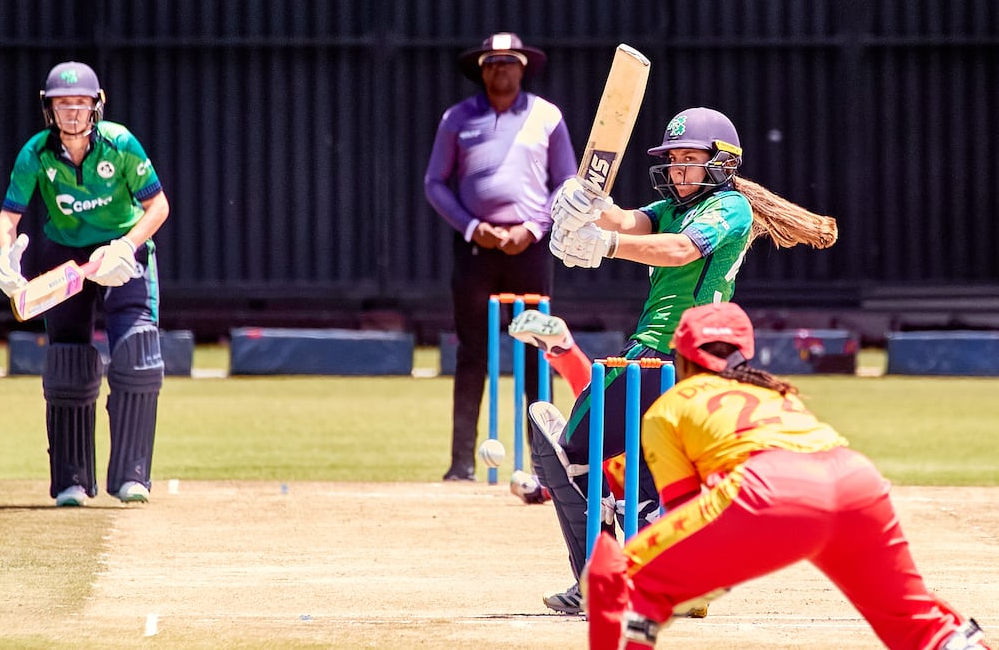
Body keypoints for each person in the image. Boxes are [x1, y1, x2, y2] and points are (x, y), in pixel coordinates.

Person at [584, 302, 991, 650]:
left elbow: (686, 516)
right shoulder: (776, 390)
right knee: (915, 623)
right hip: (856, 482)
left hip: (771, 488)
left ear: (683, 356)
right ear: (745, 352)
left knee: (612, 576)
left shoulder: (668, 407)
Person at [513, 107, 755, 614]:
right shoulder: (669, 207)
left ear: (722, 162)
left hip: (664, 353)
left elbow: (678, 251)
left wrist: (605, 243)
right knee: (643, 471)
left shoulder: (730, 207)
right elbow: (626, 218)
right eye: (673, 160)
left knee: (566, 451)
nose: (678, 169)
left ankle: (599, 581)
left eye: (690, 159)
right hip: (678, 363)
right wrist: (582, 200)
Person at [0, 61, 170, 507]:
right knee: (68, 362)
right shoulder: (36, 153)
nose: (72, 112)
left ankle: (132, 477)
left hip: (122, 253)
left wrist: (126, 246)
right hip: (66, 258)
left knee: (136, 355)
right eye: (62, 104)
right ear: (48, 109)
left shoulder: (121, 144)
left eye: (80, 103)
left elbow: (159, 205)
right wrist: (7, 257)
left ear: (96, 105)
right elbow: (7, 218)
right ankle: (71, 481)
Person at [424, 32, 578, 481]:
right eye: (492, 63)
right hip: (477, 248)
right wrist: (475, 227)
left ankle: (543, 465)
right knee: (472, 351)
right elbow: (435, 182)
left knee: (536, 352)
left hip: (528, 249)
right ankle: (460, 464)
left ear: (523, 67)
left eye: (509, 62)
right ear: (481, 70)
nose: (501, 70)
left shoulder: (546, 116)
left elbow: (566, 182)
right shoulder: (458, 119)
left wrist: (532, 228)